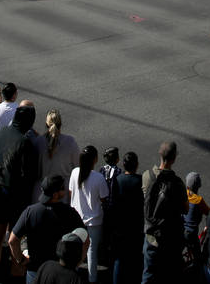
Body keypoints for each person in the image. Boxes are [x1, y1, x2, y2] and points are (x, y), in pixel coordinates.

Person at [0, 104, 40, 264]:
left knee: (0, 221)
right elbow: (29, 172)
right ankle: (15, 263)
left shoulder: (0, 133)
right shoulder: (24, 142)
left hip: (0, 184)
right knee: (16, 227)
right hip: (17, 190)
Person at [141, 140, 187, 283]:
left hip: (151, 236)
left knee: (148, 273)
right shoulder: (178, 183)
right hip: (170, 237)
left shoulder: (147, 176)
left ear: (160, 154)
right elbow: (185, 209)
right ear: (174, 158)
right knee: (170, 274)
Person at [68, 145, 109, 284]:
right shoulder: (98, 178)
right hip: (94, 221)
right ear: (95, 159)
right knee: (92, 252)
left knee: (75, 250)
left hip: (76, 219)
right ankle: (92, 279)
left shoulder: (74, 173)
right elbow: (104, 199)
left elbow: (70, 193)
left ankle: (74, 276)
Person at [112, 151, 144, 284]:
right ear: (136, 165)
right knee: (136, 257)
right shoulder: (140, 180)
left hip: (120, 225)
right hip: (136, 225)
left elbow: (114, 202)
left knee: (119, 259)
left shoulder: (118, 180)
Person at [37, 109, 80, 200]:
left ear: (46, 124)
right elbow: (77, 167)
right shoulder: (70, 142)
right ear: (60, 124)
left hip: (44, 193)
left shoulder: (38, 142)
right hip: (64, 193)